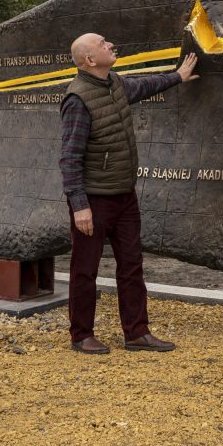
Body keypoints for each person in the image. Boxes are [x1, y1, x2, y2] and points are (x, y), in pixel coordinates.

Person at [59, 34, 199, 354]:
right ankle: (81, 335)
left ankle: (136, 332)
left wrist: (177, 76)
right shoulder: (77, 99)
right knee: (85, 270)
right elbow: (69, 158)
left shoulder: (115, 84)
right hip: (93, 201)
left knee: (132, 266)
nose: (110, 45)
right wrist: (80, 206)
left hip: (124, 196)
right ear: (90, 60)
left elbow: (146, 85)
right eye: (102, 43)